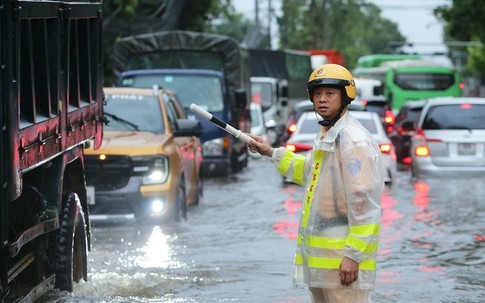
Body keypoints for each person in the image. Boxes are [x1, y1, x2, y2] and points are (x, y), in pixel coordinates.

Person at [246, 64, 383, 303]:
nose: (322, 100)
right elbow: (309, 172)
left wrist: (353, 256)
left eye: (330, 93)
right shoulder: (328, 135)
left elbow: (364, 204)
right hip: (323, 262)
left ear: (345, 96)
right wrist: (269, 151)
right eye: (317, 94)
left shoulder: (353, 140)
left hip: (344, 262)